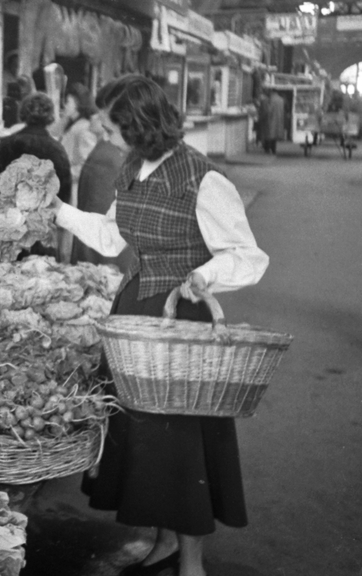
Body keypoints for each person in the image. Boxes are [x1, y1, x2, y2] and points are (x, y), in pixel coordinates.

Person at [52, 75, 269, 576]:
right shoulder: (133, 164)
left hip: (181, 318)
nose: (104, 133)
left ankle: (192, 562)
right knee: (145, 438)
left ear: (137, 124)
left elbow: (247, 255)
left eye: (111, 125)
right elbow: (111, 236)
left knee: (181, 441)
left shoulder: (203, 178)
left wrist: (206, 274)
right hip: (132, 312)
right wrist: (59, 211)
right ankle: (165, 542)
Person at [0, 91, 72, 262]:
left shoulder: (7, 144)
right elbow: (64, 195)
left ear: (22, 114)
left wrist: (7, 212)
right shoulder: (57, 149)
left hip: (5, 229)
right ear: (50, 117)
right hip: (41, 236)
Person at [68, 114, 133, 275]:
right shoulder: (110, 151)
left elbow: (100, 210)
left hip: (101, 258)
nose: (94, 117)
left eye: (100, 113)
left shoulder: (108, 156)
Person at [59, 83, 101, 207]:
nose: (65, 105)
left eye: (68, 102)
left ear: (77, 103)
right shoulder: (75, 125)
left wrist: (66, 173)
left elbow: (86, 163)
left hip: (75, 190)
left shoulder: (83, 128)